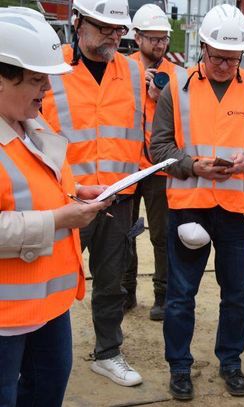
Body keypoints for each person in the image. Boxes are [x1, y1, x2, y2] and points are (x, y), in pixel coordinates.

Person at [150, 4, 244, 401]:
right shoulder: (176, 89)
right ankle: (179, 367)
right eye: (217, 57)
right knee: (180, 296)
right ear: (202, 49)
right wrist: (193, 165)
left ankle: (231, 362)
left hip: (237, 211)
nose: (224, 65)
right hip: (189, 207)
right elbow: (158, 148)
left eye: (232, 58)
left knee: (235, 294)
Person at [0, 8, 111, 406]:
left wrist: (77, 192)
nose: (47, 88)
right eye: (36, 79)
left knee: (46, 391)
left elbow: (35, 186)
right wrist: (59, 219)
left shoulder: (33, 124)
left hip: (49, 306)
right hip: (6, 317)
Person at [41, 0, 146, 387]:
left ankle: (108, 352)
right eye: (104, 28)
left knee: (111, 281)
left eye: (119, 30)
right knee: (49, 279)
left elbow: (143, 130)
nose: (113, 37)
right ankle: (35, 353)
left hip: (118, 197)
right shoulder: (51, 67)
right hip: (64, 200)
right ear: (78, 22)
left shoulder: (133, 72)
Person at [122, 4, 175, 321]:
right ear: (137, 37)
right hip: (127, 166)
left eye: (163, 39)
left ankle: (163, 296)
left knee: (162, 234)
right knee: (124, 233)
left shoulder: (176, 75)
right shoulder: (122, 69)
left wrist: (160, 97)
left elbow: (185, 117)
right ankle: (125, 292)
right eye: (153, 38)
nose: (159, 44)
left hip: (159, 167)